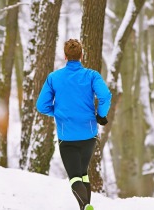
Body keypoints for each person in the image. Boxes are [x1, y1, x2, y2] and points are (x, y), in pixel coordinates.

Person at [36, 39, 112, 210]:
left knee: (75, 178)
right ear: (81, 55)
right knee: (83, 175)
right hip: (89, 134)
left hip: (67, 136)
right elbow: (105, 96)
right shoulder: (92, 75)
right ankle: (85, 207)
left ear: (65, 56)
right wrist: (101, 115)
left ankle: (85, 206)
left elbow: (41, 106)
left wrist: (57, 112)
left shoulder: (54, 78)